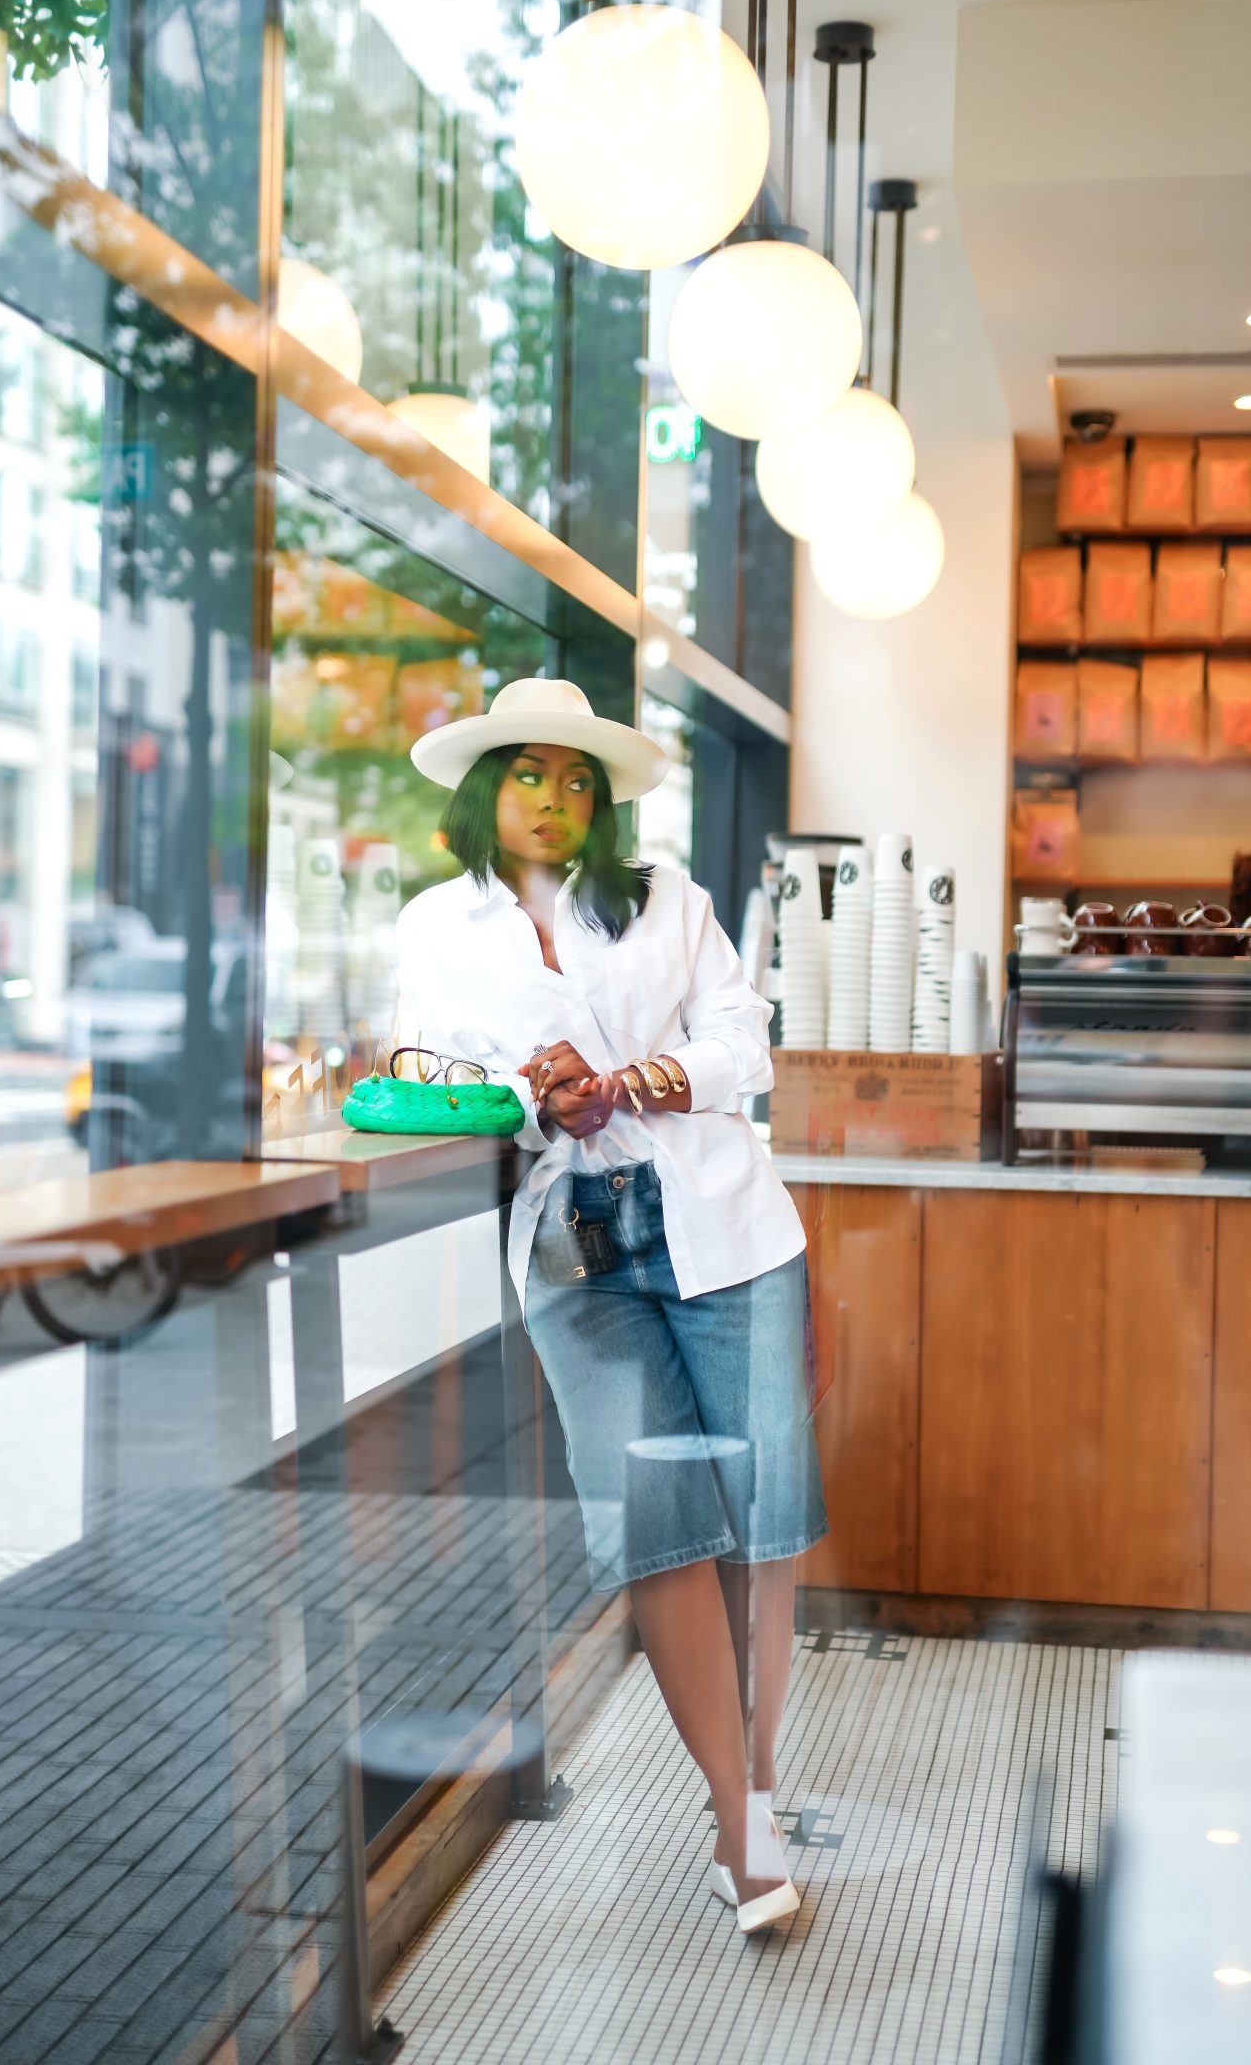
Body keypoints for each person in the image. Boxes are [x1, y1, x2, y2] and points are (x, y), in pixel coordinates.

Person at [395, 676, 826, 1935]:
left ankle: (744, 1789)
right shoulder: (436, 926)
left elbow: (748, 1044)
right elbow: (429, 1071)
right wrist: (539, 1095)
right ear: (486, 791)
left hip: (722, 1230)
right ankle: (743, 1824)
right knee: (660, 1528)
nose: (555, 798)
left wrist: (644, 1073)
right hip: (573, 1253)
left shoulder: (670, 903)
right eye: (530, 774)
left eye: (579, 780)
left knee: (761, 1525)